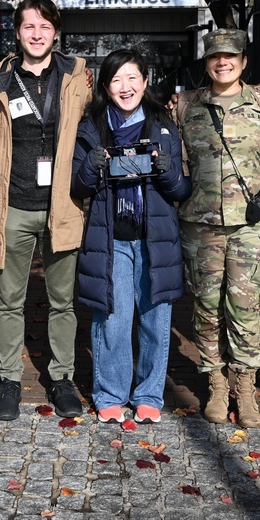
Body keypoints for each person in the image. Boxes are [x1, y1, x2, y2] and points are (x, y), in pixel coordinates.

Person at [0, 0, 90, 421]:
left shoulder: (78, 78)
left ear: (56, 32)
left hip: (63, 206)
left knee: (63, 301)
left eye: (44, 26)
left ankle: (61, 378)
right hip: (11, 207)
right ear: (17, 33)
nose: (36, 34)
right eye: (28, 27)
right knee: (8, 301)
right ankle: (9, 380)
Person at [71, 49, 191, 423]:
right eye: (116, 80)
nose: (125, 87)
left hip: (155, 238)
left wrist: (167, 170)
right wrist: (92, 166)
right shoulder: (91, 127)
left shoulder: (164, 125)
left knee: (156, 318)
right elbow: (78, 185)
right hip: (112, 239)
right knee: (113, 317)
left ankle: (149, 395)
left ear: (145, 81)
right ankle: (109, 391)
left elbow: (181, 191)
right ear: (106, 86)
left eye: (132, 78)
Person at [171, 29, 260, 428]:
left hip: (250, 225)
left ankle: (245, 387)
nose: (223, 63)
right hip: (201, 226)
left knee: (245, 309)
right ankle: (216, 382)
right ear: (207, 62)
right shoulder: (184, 105)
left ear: (243, 61)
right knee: (206, 308)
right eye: (215, 57)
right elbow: (177, 162)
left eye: (231, 56)